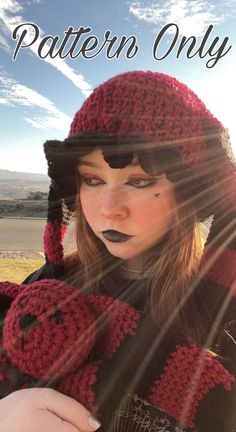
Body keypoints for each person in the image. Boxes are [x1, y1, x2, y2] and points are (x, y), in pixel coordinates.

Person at [0, 70, 236, 431]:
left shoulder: (224, 313)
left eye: (140, 181)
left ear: (187, 193)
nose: (109, 208)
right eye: (92, 180)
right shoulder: (46, 289)